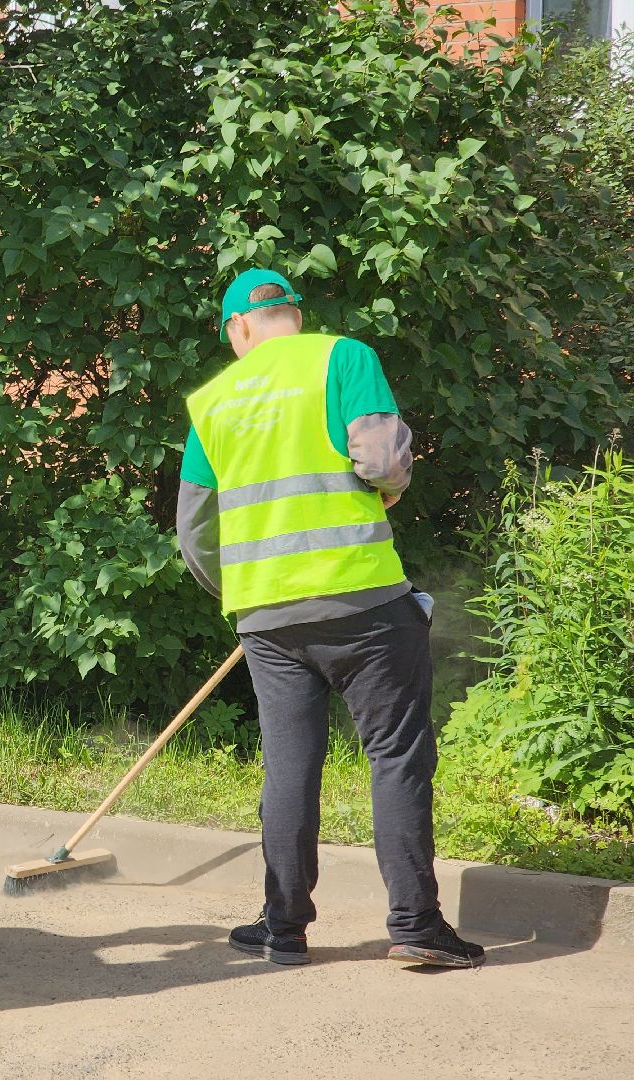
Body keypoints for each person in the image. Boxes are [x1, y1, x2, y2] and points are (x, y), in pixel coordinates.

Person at [177, 268, 484, 969]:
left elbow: (194, 530)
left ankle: (283, 928)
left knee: (289, 767)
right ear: (292, 313)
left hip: (266, 618)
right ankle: (415, 924)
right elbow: (379, 458)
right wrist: (389, 487)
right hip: (364, 604)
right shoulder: (343, 357)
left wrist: (246, 592)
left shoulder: (213, 400)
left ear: (238, 327)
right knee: (396, 756)